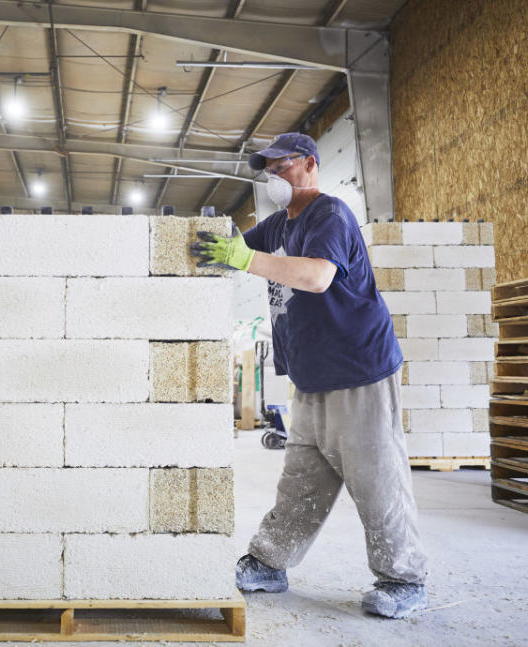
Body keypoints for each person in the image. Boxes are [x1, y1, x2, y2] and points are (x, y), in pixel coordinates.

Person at [191, 132, 428, 619]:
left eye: (283, 166)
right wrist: (205, 243)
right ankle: (269, 562)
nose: (274, 176)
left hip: (359, 368)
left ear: (311, 164)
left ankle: (403, 578)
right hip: (312, 374)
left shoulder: (331, 215)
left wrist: (243, 258)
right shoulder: (278, 224)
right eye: (269, 169)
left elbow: (316, 276)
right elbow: (234, 249)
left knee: (376, 475)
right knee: (303, 477)